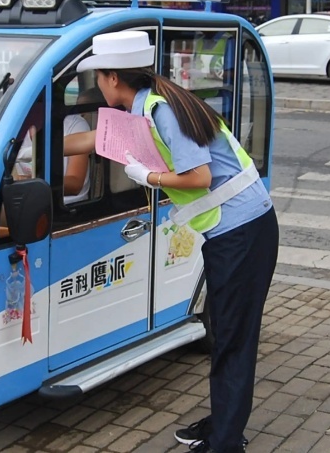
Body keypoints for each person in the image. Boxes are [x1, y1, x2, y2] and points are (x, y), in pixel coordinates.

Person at [66, 31, 279, 453]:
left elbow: (198, 177)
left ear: (113, 78)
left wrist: (152, 178)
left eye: (98, 79)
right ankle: (224, 423)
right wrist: (27, 143)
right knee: (227, 332)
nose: (95, 88)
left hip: (243, 233)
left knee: (233, 340)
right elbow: (89, 141)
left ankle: (225, 442)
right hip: (234, 231)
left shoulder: (162, 111)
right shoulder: (146, 103)